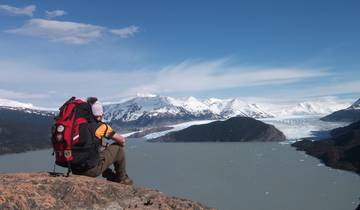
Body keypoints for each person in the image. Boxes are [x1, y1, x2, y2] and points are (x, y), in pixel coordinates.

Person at [72, 98, 133, 185]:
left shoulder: (75, 125)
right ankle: (121, 179)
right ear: (100, 114)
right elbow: (122, 140)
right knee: (118, 148)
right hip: (89, 170)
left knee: (99, 149)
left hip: (74, 167)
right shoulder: (101, 127)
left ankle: (109, 174)